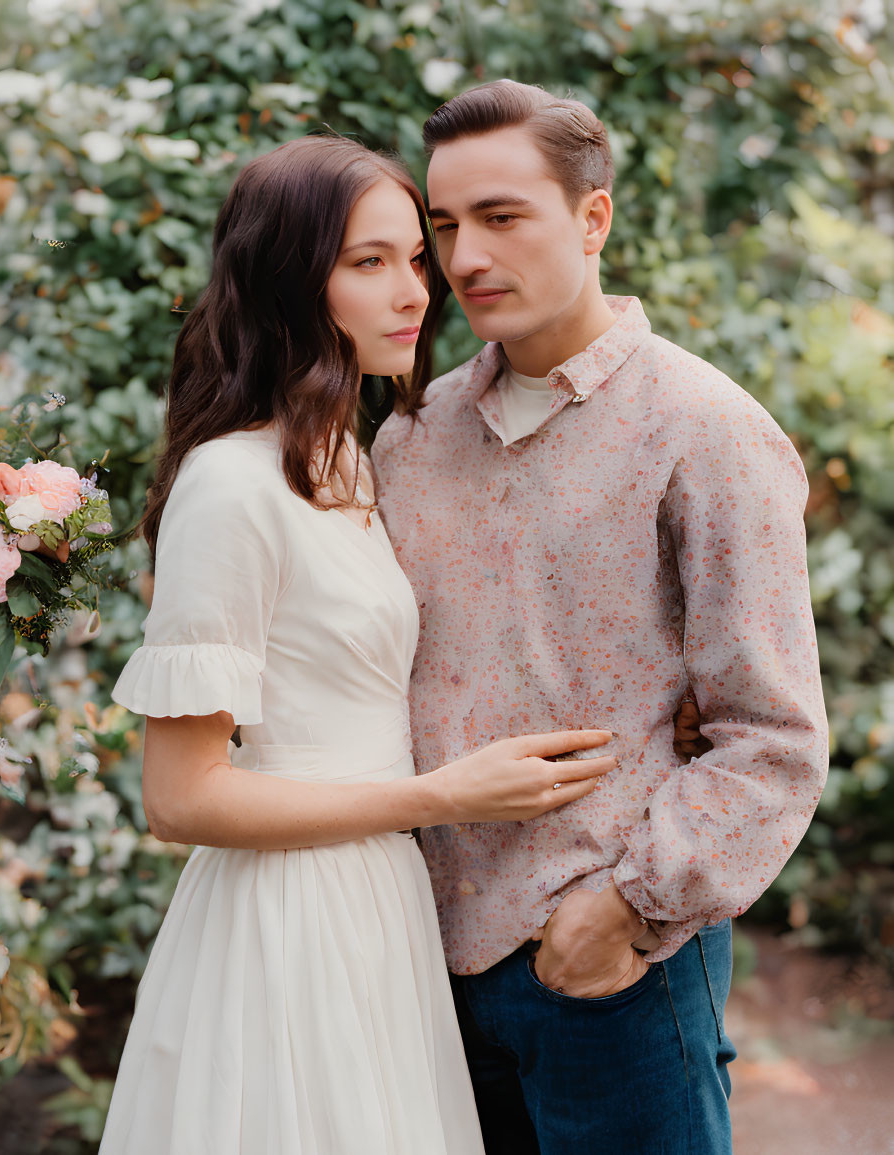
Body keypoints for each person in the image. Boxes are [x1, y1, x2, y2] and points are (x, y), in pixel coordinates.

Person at [97, 134, 621, 1155]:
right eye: (366, 262)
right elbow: (179, 796)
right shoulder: (231, 484)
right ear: (289, 282)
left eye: (412, 257)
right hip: (288, 921)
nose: (414, 290)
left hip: (380, 905)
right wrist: (441, 797)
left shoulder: (355, 455)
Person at [372, 80, 829, 1154]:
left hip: (608, 970)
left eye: (500, 216)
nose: (464, 257)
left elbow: (772, 736)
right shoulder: (413, 434)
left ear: (592, 219)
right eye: (443, 226)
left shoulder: (705, 431)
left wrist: (624, 906)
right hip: (418, 970)